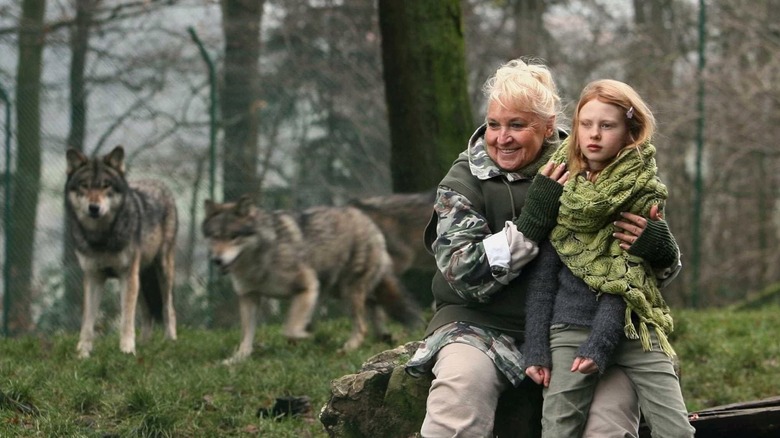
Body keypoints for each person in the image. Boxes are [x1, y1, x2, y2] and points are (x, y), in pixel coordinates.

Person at [404, 59, 681, 437]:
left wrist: (659, 249)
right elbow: (463, 277)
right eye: (494, 124)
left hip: (583, 327)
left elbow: (637, 273)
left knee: (610, 419)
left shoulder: (594, 161)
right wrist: (531, 224)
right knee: (459, 392)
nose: (502, 137)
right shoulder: (464, 181)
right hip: (481, 325)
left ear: (549, 126)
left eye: (517, 125)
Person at [522, 79, 695, 437]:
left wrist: (601, 340)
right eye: (586, 124)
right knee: (557, 428)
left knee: (676, 430)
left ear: (630, 132)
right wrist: (536, 346)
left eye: (607, 125)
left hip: (635, 324)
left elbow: (627, 276)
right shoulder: (559, 182)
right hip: (570, 326)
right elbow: (542, 276)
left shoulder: (643, 189)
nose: (594, 135)